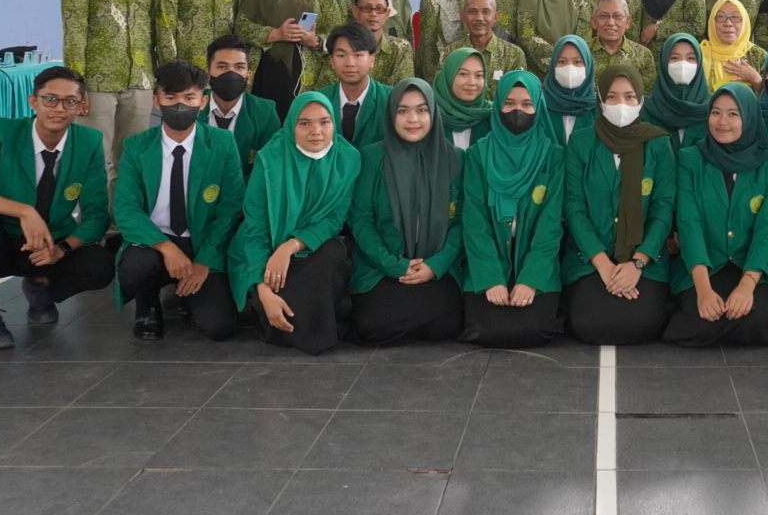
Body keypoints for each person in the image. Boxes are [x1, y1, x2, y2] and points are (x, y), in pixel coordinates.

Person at [0, 66, 114, 350]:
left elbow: (96, 215)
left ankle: (41, 284)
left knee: (100, 264)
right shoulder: (2, 132)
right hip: (2, 241)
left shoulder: (89, 142)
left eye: (70, 101)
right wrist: (24, 211)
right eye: (50, 99)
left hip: (51, 242)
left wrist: (62, 249)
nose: (59, 108)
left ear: (81, 107)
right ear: (33, 102)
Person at [113, 60, 244, 341]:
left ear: (203, 101)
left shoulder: (222, 143)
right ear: (156, 101)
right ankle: (147, 304)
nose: (180, 106)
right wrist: (165, 247)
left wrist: (204, 261)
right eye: (171, 98)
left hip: (202, 241)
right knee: (137, 267)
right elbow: (126, 208)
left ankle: (188, 295)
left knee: (219, 326)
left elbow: (230, 207)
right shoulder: (136, 147)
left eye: (189, 98)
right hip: (154, 242)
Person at [228, 91, 358, 355]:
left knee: (332, 253)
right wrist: (263, 288)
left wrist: (289, 247)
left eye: (324, 122)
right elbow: (256, 228)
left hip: (308, 244)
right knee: (274, 296)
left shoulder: (347, 158)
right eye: (304, 123)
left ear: (334, 123)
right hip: (264, 247)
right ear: (291, 126)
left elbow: (334, 219)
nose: (316, 131)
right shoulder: (270, 160)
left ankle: (296, 327)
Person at [663, 84, 768, 347]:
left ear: (749, 117)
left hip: (752, 267)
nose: (722, 122)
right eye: (716, 112)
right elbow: (689, 223)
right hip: (704, 266)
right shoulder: (690, 159)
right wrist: (703, 290)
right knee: (703, 318)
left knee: (755, 321)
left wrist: (747, 286)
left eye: (733, 114)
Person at [562, 64, 677, 344]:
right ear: (600, 100)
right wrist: (602, 263)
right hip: (590, 257)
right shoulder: (580, 142)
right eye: (612, 97)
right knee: (588, 323)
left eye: (629, 96)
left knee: (643, 322)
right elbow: (574, 207)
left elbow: (663, 209)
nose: (621, 104)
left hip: (645, 257)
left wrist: (638, 262)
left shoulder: (659, 144)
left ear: (640, 100)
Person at [348, 78, 466, 345]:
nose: (413, 119)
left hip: (438, 267)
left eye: (422, 110)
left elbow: (461, 221)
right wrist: (394, 264)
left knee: (447, 323)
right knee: (372, 325)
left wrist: (435, 266)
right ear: (391, 115)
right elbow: (361, 221)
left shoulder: (455, 158)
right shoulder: (371, 157)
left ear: (433, 113)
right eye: (402, 110)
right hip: (381, 267)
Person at [459, 71, 567, 347]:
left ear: (538, 107)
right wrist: (490, 279)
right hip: (490, 256)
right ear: (497, 106)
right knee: (486, 331)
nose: (517, 111)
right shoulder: (478, 154)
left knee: (534, 330)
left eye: (527, 104)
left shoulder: (553, 156)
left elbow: (550, 225)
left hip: (534, 258)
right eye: (509, 103)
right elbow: (474, 221)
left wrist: (530, 280)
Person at [64, 0, 161, 177]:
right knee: (94, 161)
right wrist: (76, 83)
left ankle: (124, 210)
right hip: (96, 79)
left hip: (141, 77)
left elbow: (156, 21)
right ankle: (94, 210)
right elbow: (73, 22)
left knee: (132, 162)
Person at [235, 0, 337, 119]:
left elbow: (337, 37)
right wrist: (276, 34)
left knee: (301, 122)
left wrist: (314, 41)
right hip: (266, 70)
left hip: (308, 75)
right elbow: (240, 28)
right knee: (266, 123)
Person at [203, 34, 280, 173]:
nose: (230, 74)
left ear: (248, 77)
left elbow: (268, 167)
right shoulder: (190, 106)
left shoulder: (265, 112)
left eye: (239, 67)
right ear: (207, 75)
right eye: (222, 66)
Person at [314, 24, 392, 151]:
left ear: (371, 60)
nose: (350, 63)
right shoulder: (318, 101)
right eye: (341, 55)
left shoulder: (392, 99)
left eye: (358, 55)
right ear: (332, 61)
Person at [442, 0, 528, 102]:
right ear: (462, 16)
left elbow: (517, 99)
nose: (479, 18)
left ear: (496, 16)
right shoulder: (450, 53)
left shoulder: (514, 54)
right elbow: (443, 95)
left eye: (486, 11)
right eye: (472, 11)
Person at [642, 34, 713, 153]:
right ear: (663, 62)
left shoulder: (714, 108)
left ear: (700, 62)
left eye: (691, 58)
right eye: (674, 58)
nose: (682, 64)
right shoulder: (645, 109)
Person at [348, 0, 417, 87]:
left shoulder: (400, 49)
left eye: (379, 9)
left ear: (387, 13)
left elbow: (403, 90)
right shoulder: (342, 47)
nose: (373, 14)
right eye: (366, 8)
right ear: (355, 12)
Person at [588, 0, 655, 89]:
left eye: (617, 16)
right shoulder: (582, 52)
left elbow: (647, 94)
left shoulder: (643, 55)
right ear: (594, 22)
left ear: (628, 22)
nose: (611, 23)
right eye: (604, 16)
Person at [434, 47, 494, 151]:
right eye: (463, 74)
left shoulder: (493, 116)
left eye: (479, 75)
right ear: (448, 76)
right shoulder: (428, 116)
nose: (472, 82)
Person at [541, 35, 598, 146]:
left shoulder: (600, 107)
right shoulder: (539, 104)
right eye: (562, 62)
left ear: (588, 65)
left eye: (577, 62)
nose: (569, 68)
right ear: (552, 65)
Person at [703, 0, 767, 93]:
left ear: (744, 22)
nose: (728, 23)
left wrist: (756, 80)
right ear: (712, 21)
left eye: (735, 17)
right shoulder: (698, 54)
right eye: (721, 17)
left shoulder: (758, 55)